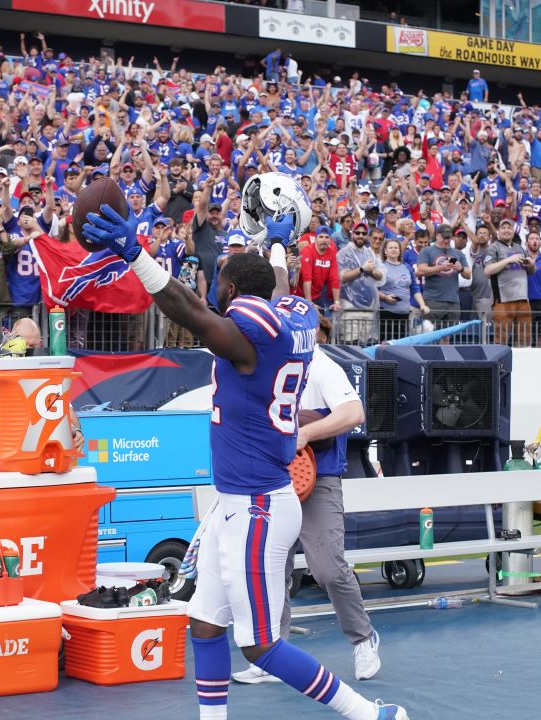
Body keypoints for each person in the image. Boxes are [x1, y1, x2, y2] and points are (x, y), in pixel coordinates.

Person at [82, 188, 409, 720]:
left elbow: (189, 310)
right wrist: (277, 248)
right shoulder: (293, 320)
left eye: (219, 284)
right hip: (239, 500)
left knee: (259, 645)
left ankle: (368, 714)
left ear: (230, 290)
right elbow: (273, 290)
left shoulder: (244, 340)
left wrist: (135, 255)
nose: (211, 291)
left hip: (258, 503)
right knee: (204, 624)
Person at [231, 323, 376, 685]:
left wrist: (307, 431)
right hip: (271, 479)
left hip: (319, 479)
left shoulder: (322, 366)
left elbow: (354, 413)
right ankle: (272, 655)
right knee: (270, 569)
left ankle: (363, 638)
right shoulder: (262, 365)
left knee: (327, 568)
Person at [483, 219, 535, 347]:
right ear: (498, 231)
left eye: (509, 228)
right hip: (503, 300)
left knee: (525, 340)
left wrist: (531, 265)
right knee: (501, 339)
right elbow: (487, 270)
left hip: (523, 299)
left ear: (513, 231)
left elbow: (532, 272)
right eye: (503, 228)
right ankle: (501, 366)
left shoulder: (520, 248)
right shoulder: (493, 247)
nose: (506, 230)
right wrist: (508, 260)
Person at [414, 223, 470, 328]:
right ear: (437, 236)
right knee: (428, 332)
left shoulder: (458, 253)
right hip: (432, 299)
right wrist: (441, 268)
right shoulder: (427, 250)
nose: (446, 240)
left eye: (449, 238)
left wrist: (461, 268)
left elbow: (468, 275)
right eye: (444, 237)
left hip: (453, 300)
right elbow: (420, 271)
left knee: (447, 334)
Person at [376, 238, 427, 342]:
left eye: (396, 248)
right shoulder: (380, 267)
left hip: (404, 312)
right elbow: (372, 288)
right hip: (386, 311)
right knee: (386, 344)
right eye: (390, 248)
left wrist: (422, 304)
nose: (393, 250)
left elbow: (414, 288)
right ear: (385, 251)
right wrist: (385, 297)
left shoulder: (407, 267)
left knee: (401, 344)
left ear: (400, 251)